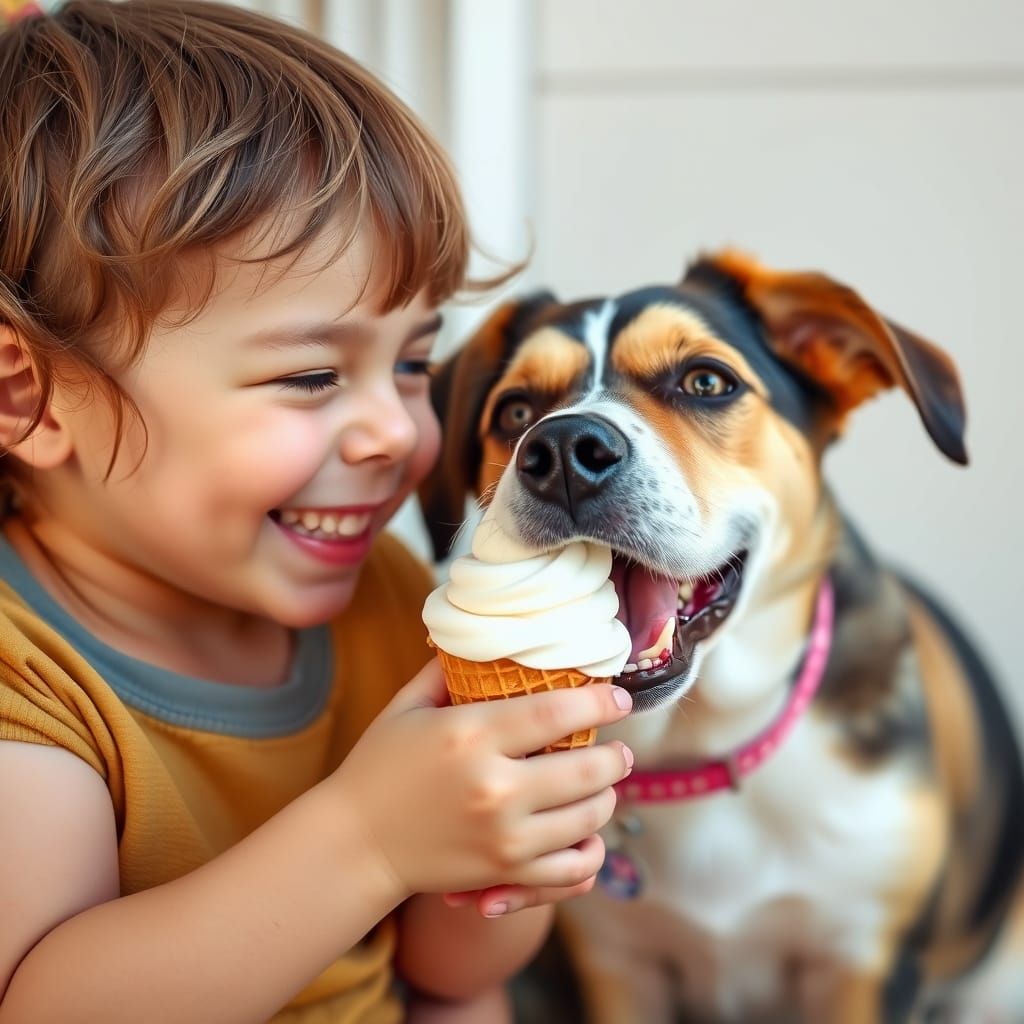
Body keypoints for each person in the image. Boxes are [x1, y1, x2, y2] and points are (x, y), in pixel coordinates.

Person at [0, 2, 636, 1021]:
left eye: (415, 363)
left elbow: (450, 970)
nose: (395, 431)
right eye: (309, 375)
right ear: (24, 395)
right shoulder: (25, 669)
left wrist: (516, 831)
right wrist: (371, 835)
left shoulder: (385, 598)